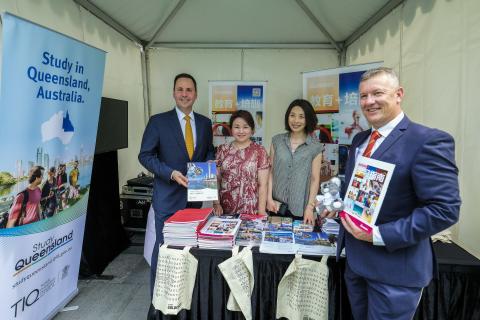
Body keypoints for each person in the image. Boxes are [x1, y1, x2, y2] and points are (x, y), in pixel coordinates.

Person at [321, 67, 460, 319]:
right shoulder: (360, 140)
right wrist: (337, 203)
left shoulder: (427, 141)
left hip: (395, 271)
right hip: (355, 263)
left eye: (377, 93)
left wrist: (379, 234)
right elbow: (356, 188)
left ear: (399, 94)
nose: (369, 101)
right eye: (363, 96)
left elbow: (445, 209)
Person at [138, 73, 215, 298]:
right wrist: (170, 173)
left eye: (189, 90)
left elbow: (207, 150)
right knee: (164, 251)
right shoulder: (158, 121)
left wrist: (210, 160)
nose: (184, 94)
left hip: (194, 199)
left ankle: (183, 298)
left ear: (195, 94)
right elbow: (145, 156)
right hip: (167, 198)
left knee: (189, 251)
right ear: (173, 93)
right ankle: (158, 303)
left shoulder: (204, 122)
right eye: (180, 89)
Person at [267, 99, 322, 225]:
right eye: (292, 115)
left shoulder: (315, 147)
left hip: (300, 209)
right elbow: (271, 171)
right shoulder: (277, 141)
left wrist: (310, 207)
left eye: (301, 117)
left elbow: (315, 179)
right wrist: (268, 199)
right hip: (275, 206)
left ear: (308, 119)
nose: (296, 120)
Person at [213, 110, 269, 215]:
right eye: (237, 127)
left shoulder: (259, 151)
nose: (241, 131)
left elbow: (263, 184)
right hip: (225, 210)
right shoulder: (223, 150)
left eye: (245, 127)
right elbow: (216, 180)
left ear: (252, 130)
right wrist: (216, 203)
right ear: (231, 129)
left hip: (251, 209)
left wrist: (261, 211)